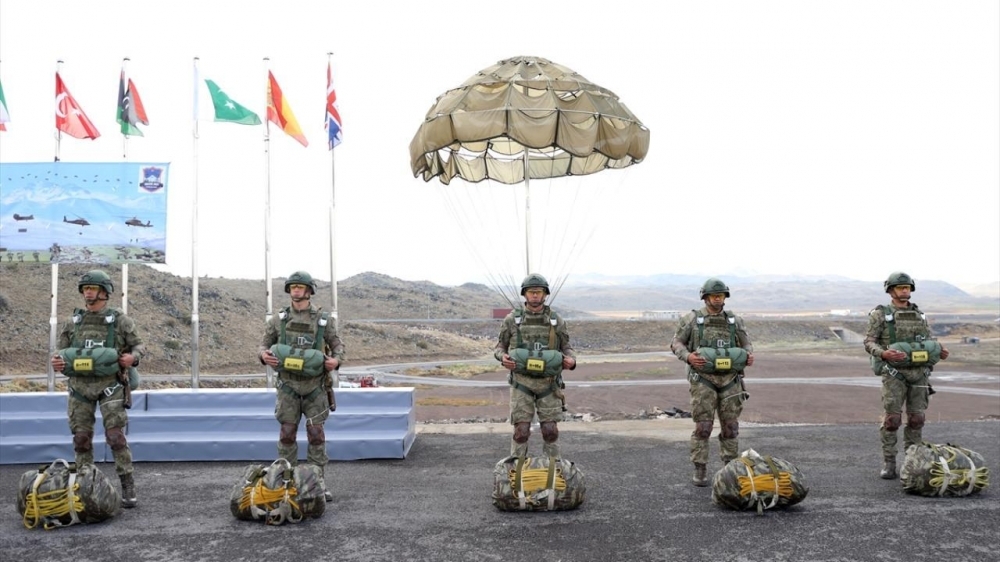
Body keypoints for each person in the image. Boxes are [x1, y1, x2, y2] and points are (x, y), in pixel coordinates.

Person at [50, 269, 145, 508]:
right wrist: (57, 362)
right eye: (85, 288)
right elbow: (60, 352)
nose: (88, 292)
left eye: (92, 288)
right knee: (81, 439)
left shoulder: (120, 320)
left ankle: (127, 484)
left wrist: (132, 358)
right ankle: (85, 486)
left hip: (110, 386)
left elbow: (139, 346)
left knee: (115, 437)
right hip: (79, 388)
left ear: (104, 291)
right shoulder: (72, 322)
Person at [258, 271, 344, 502]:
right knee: (287, 434)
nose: (296, 290)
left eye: (300, 286)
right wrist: (264, 356)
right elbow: (264, 345)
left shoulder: (323, 320)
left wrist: (336, 361)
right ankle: (287, 483)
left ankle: (317, 484)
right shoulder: (278, 320)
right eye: (293, 287)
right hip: (288, 387)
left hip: (315, 387)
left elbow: (337, 345)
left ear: (309, 290)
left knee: (316, 434)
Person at [864, 271, 949, 480]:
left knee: (917, 419)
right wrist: (883, 353)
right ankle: (889, 463)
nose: (905, 290)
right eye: (900, 287)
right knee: (892, 420)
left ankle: (913, 463)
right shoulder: (880, 314)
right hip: (894, 374)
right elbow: (869, 341)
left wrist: (939, 350)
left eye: (907, 287)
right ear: (891, 290)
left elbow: (928, 340)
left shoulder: (919, 315)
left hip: (919, 373)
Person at [670, 278, 754, 487]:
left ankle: (730, 470)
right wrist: (688, 357)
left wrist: (748, 355)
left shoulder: (734, 321)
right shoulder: (692, 319)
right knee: (703, 427)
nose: (718, 299)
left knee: (731, 427)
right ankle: (700, 468)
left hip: (730, 380)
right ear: (705, 297)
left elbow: (746, 344)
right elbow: (676, 343)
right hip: (703, 380)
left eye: (721, 295)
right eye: (714, 296)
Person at [494, 273, 577, 459]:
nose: (534, 295)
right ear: (524, 294)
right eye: (531, 292)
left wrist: (571, 361)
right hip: (521, 383)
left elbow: (567, 347)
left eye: (538, 292)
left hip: (549, 384)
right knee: (521, 431)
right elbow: (500, 347)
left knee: (550, 431)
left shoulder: (556, 321)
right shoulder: (511, 320)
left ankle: (553, 468)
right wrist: (502, 357)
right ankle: (516, 468)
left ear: (545, 294)